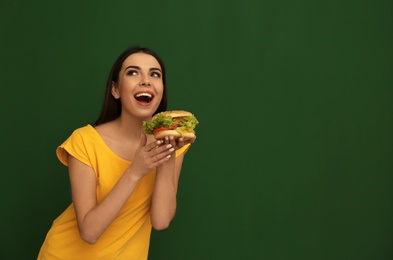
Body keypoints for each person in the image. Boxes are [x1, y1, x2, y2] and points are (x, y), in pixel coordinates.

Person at [38, 46, 196, 259]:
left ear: (161, 89)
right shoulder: (84, 141)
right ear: (115, 89)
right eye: (133, 72)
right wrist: (135, 171)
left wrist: (167, 154)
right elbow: (89, 232)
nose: (146, 81)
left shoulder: (174, 140)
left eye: (154, 74)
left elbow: (161, 220)